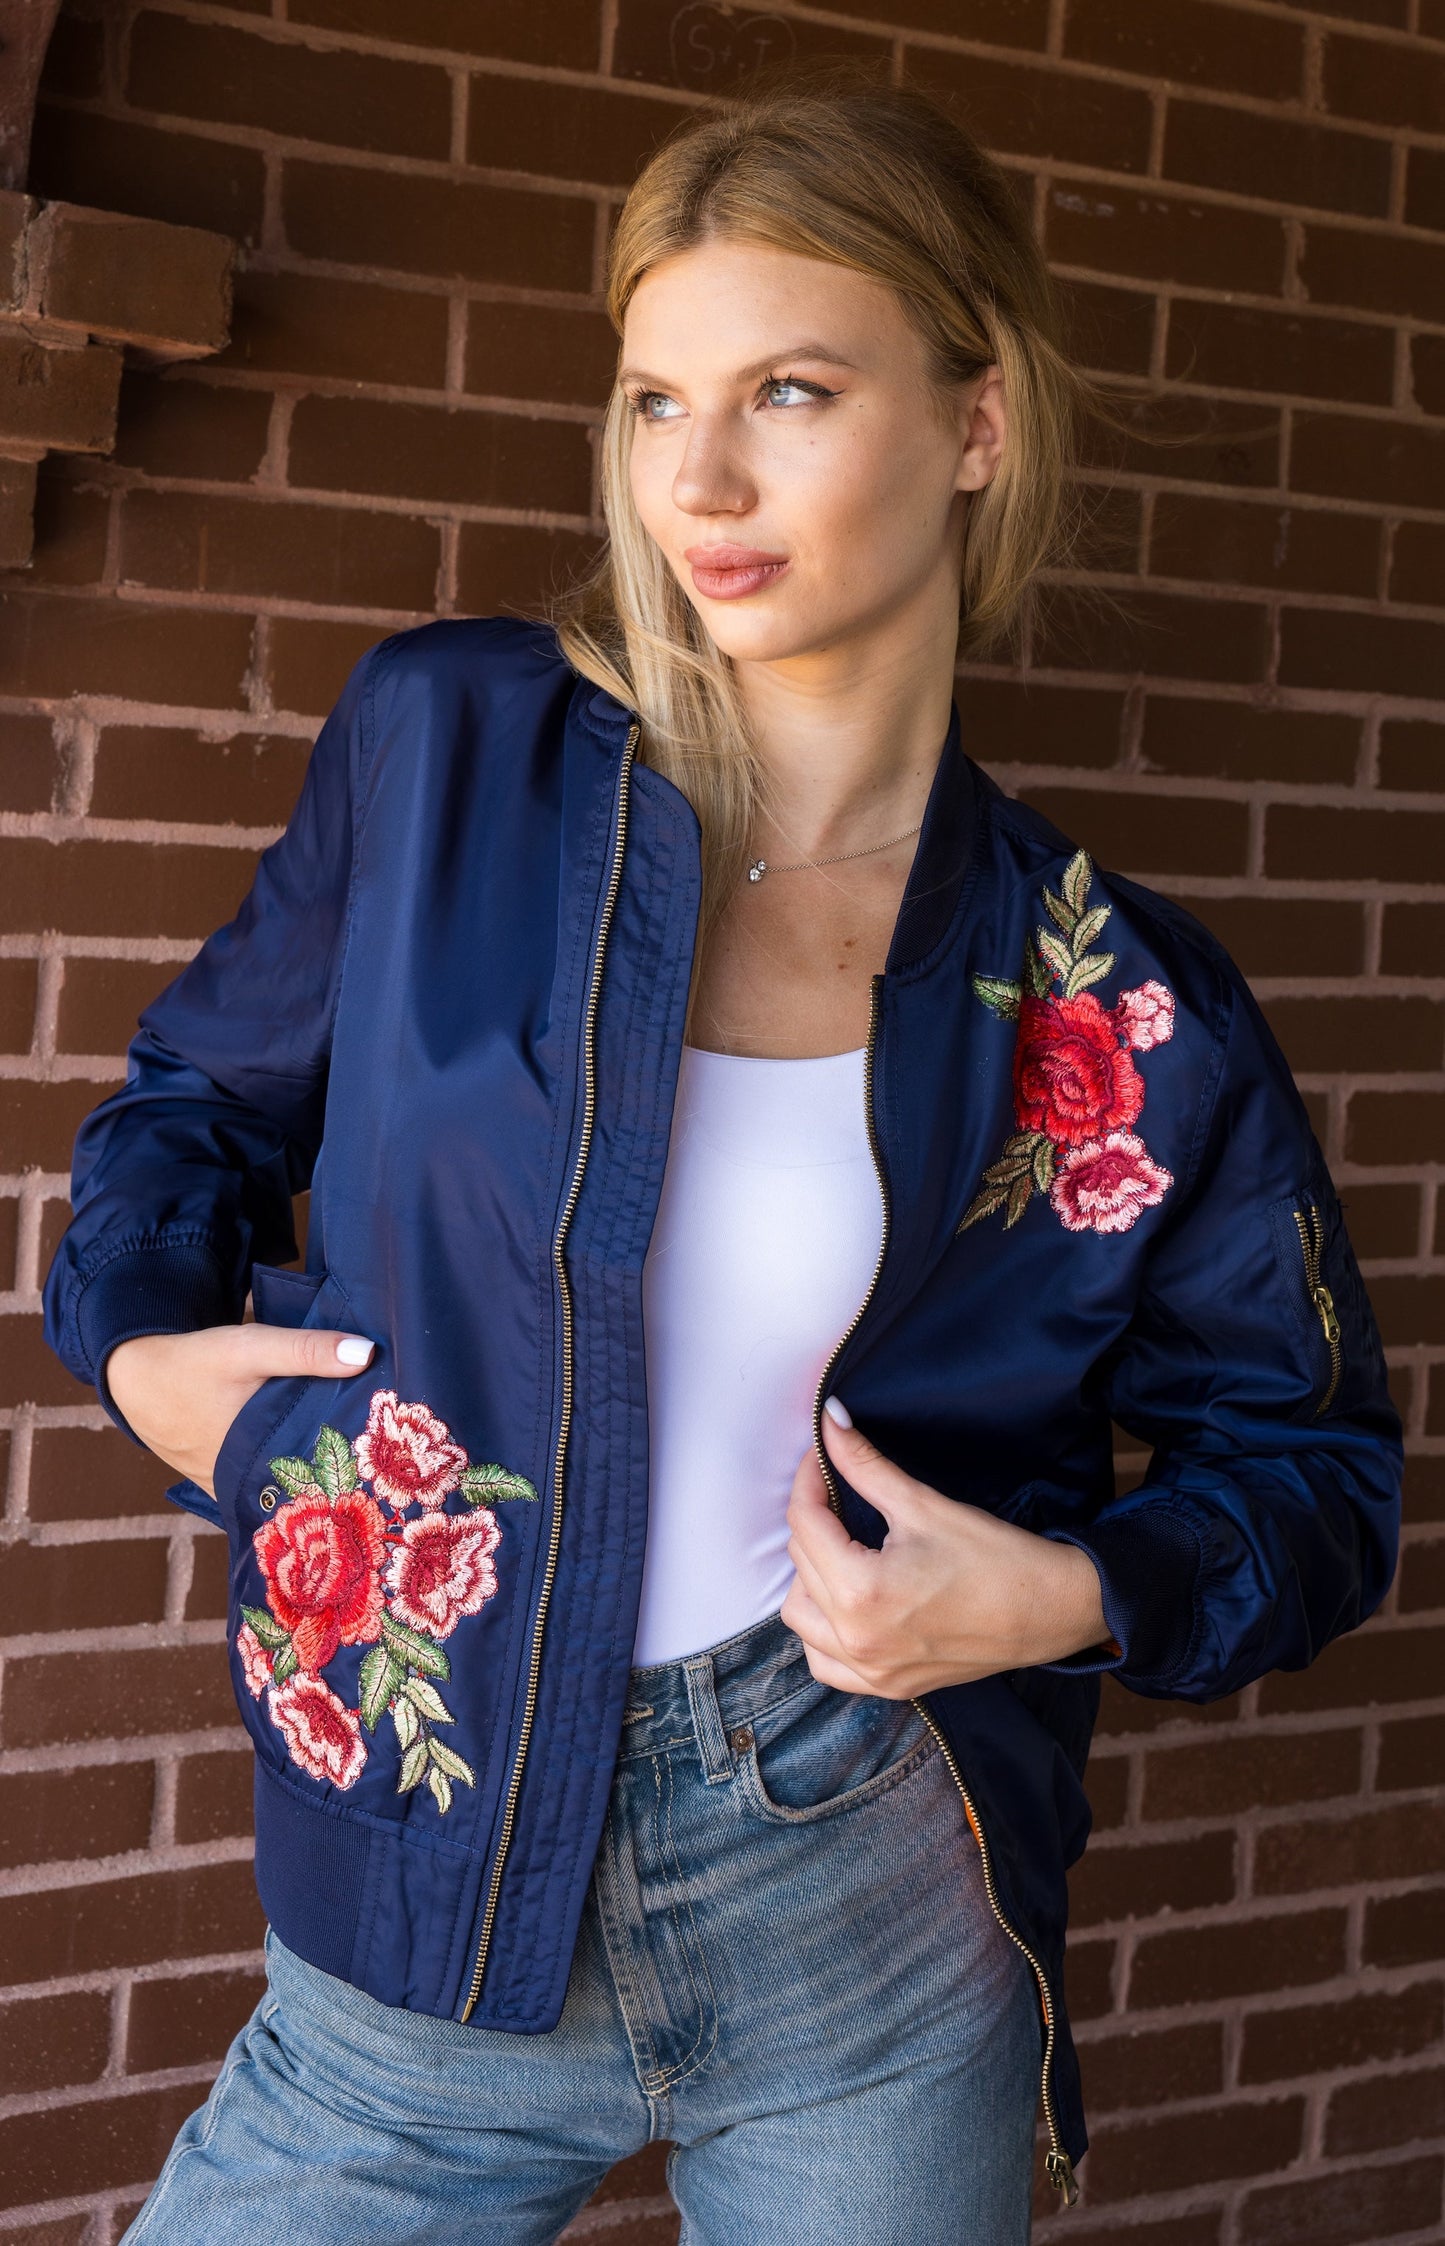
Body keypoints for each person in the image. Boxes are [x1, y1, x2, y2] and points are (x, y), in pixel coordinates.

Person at [42, 67, 1402, 2246]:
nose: (704, 475)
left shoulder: (1117, 1002)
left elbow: (1318, 1476)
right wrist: (144, 1360)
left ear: (975, 422)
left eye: (787, 388)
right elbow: (180, 1120)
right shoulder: (455, 749)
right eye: (656, 400)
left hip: (861, 1891)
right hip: (424, 1903)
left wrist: (1060, 1592)